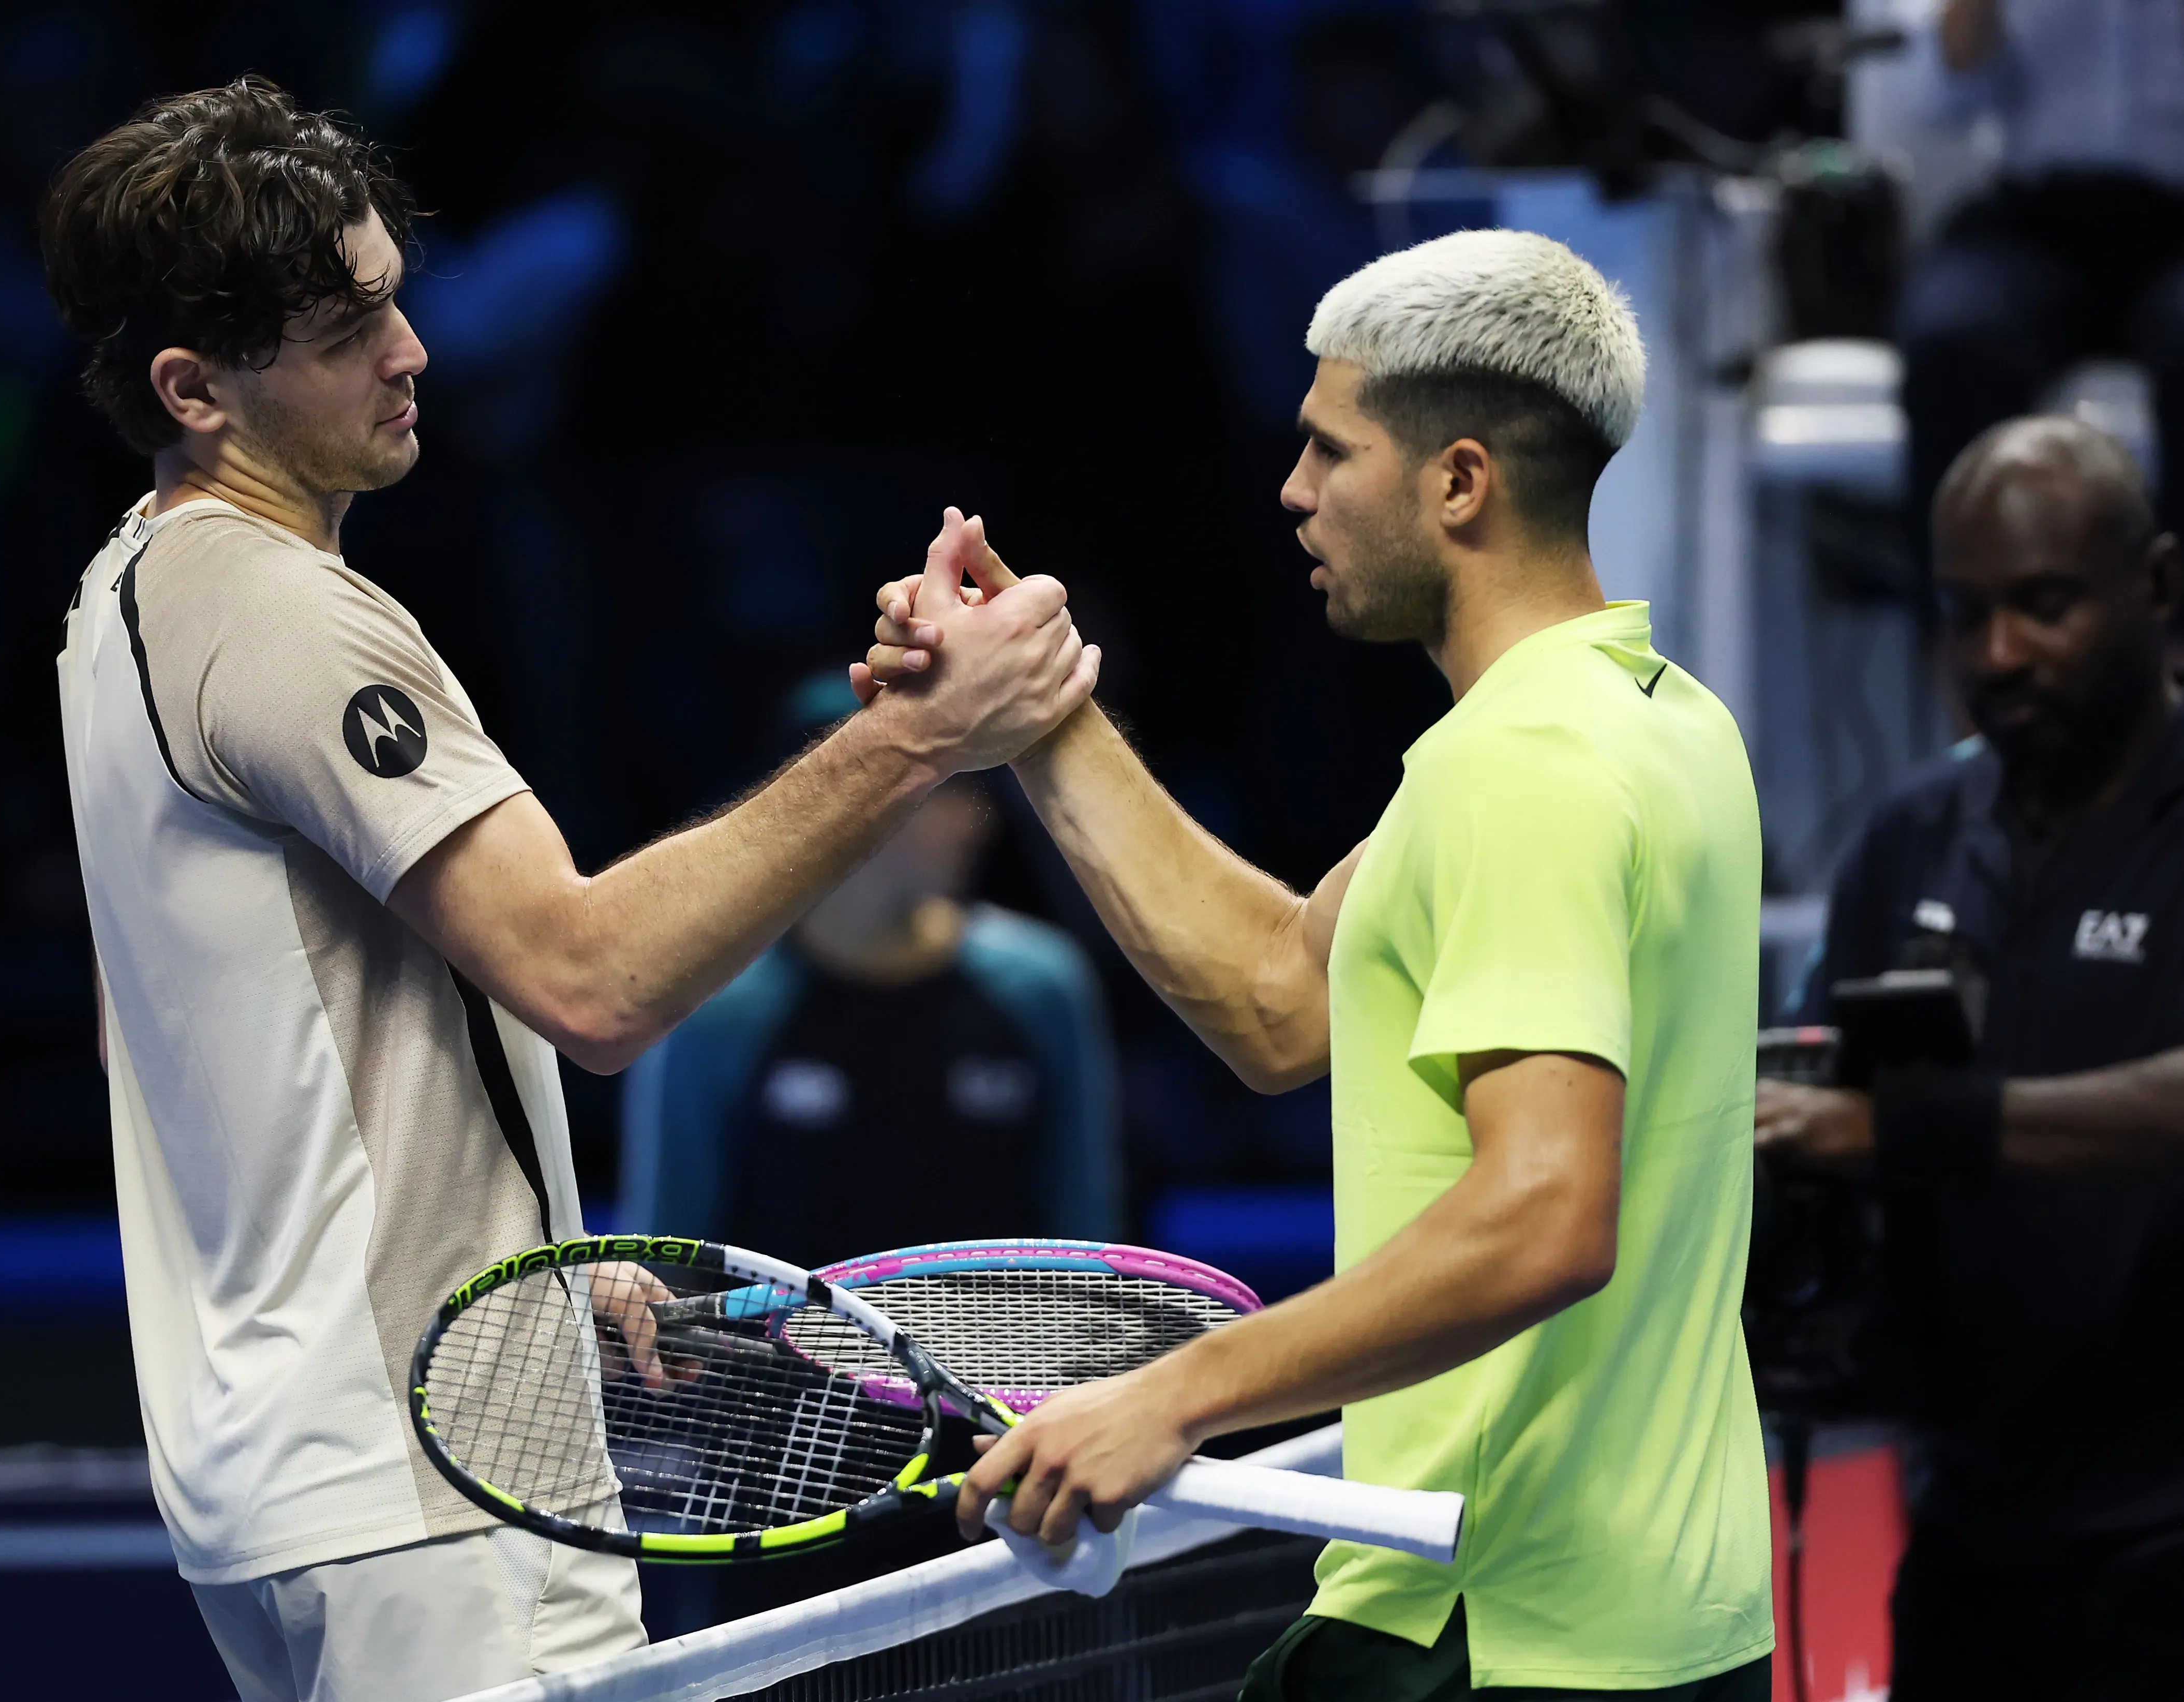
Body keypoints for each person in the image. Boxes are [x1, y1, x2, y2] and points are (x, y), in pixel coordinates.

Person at [41, 78, 1095, 1702]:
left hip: (285, 1468)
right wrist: (915, 740)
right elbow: (594, 981)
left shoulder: (120, 595)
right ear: (194, 388)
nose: (412, 354)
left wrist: (527, 1228)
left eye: (393, 296)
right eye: (344, 328)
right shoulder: (280, 617)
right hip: (419, 1474)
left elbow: (188, 1029)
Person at [863, 230, 1771, 1697]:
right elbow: (1279, 999)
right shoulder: (1654, 720)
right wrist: (1037, 706)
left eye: (1328, 448)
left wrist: (1170, 1399)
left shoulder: (1521, 765)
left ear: (1457, 480)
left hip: (1498, 1624)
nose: (1291, 490)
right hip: (1663, 1618)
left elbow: (1545, 1213)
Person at [1757, 416, 2184, 1701]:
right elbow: (1821, 1093)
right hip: (1964, 1532)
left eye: (2042, 607)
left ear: (2155, 587)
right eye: (1964, 612)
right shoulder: (1912, 831)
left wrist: (1905, 1131)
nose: (1997, 654)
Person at [620, 672, 1122, 1262]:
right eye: (946, 787)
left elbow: (1088, 1244)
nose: (974, 821)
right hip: (770, 1358)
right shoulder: (714, 1009)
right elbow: (664, 1262)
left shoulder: (1042, 987)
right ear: (837, 803)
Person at [1897, 0, 2184, 539]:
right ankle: (1970, 616)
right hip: (2034, 215)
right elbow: (1938, 97)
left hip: (2173, 216)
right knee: (1954, 341)